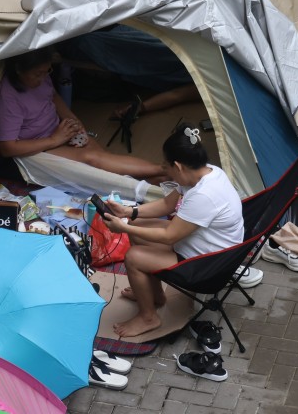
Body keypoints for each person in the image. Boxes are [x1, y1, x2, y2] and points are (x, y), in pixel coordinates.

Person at [101, 124, 244, 337]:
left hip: (209, 264)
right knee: (135, 227)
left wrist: (121, 227)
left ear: (178, 166)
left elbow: (170, 236)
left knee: (133, 258)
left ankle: (148, 317)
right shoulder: (206, 172)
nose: (164, 170)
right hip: (207, 244)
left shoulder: (204, 194)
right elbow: (168, 205)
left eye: (166, 167)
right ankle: (155, 295)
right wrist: (129, 212)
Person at [0, 47, 165, 180]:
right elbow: (7, 148)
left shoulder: (40, 78)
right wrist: (54, 140)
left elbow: (53, 96)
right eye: (38, 74)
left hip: (56, 133)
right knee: (91, 159)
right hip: (34, 149)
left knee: (102, 156)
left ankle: (158, 177)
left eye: (47, 71)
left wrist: (74, 121)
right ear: (19, 70)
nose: (43, 78)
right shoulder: (7, 99)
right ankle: (162, 171)